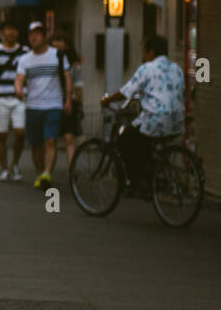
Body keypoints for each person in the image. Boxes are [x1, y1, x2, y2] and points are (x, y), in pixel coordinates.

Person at [101, 35, 185, 193]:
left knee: (124, 140)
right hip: (177, 122)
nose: (143, 56)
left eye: (144, 52)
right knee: (144, 144)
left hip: (155, 120)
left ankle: (136, 182)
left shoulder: (147, 68)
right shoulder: (177, 69)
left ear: (151, 52)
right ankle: (151, 176)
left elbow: (127, 91)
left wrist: (107, 99)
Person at [13, 22, 72, 190]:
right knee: (35, 144)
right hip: (32, 105)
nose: (34, 37)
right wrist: (18, 89)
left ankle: (47, 173)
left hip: (54, 104)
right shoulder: (25, 59)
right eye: (31, 34)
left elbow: (67, 77)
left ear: (45, 36)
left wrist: (68, 99)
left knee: (50, 141)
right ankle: (40, 173)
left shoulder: (58, 55)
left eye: (38, 33)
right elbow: (19, 78)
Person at [0, 20, 29, 181]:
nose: (10, 33)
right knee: (1, 135)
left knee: (20, 132)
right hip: (0, 97)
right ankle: (4, 168)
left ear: (17, 32)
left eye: (13, 29)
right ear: (3, 32)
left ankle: (15, 164)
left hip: (19, 97)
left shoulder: (25, 51)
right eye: (8, 29)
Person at [50, 32, 83, 167]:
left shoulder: (74, 65)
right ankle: (48, 169)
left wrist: (78, 102)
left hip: (70, 102)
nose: (57, 44)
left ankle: (71, 169)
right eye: (55, 41)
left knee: (69, 137)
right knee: (51, 139)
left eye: (60, 41)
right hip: (52, 101)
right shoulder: (50, 61)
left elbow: (78, 86)